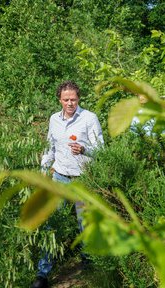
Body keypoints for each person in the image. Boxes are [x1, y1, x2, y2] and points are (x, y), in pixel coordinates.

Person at [31, 80, 104, 288]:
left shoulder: (89, 118)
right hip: (59, 178)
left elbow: (102, 150)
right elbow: (49, 148)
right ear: (59, 100)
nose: (70, 103)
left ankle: (89, 266)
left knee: (85, 224)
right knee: (52, 225)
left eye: (73, 99)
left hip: (83, 179)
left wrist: (84, 149)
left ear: (79, 98)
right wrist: (43, 173)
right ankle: (42, 275)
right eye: (66, 100)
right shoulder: (54, 119)